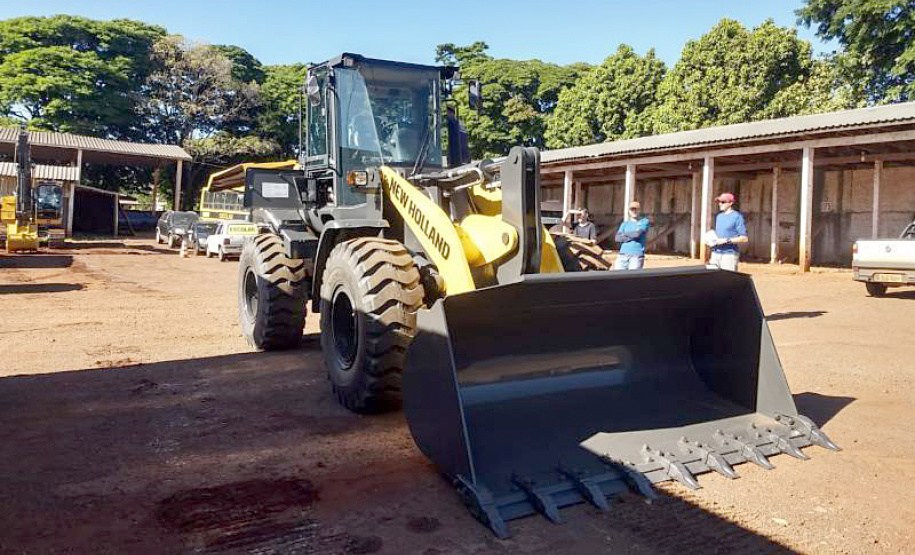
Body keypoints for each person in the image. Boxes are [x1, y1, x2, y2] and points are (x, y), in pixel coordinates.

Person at [709, 192, 748, 271]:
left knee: (728, 280)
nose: (720, 204)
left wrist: (726, 240)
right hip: (715, 254)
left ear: (731, 203)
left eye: (723, 202)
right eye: (719, 202)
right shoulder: (719, 217)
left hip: (729, 255)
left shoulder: (737, 217)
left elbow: (744, 238)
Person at [614, 201, 651, 270]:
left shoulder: (644, 221)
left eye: (636, 209)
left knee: (633, 279)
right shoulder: (625, 223)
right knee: (617, 277)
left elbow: (637, 234)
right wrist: (631, 235)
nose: (634, 211)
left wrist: (624, 235)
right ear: (629, 211)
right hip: (622, 255)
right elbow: (617, 238)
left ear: (639, 210)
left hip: (636, 256)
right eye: (632, 209)